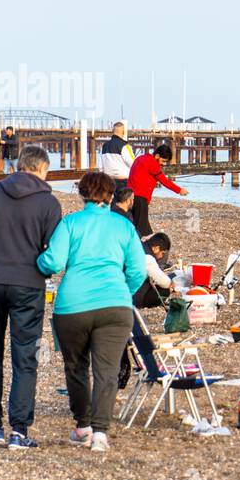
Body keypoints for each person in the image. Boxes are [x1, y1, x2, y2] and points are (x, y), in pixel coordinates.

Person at [0, 144, 63, 450]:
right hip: (27, 284)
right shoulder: (48, 203)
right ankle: (18, 430)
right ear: (43, 169)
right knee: (24, 358)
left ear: (19, 165)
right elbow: (53, 251)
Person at [38, 172, 146, 453]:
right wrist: (123, 290)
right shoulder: (123, 226)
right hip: (115, 305)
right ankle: (100, 433)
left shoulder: (71, 222)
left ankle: (83, 424)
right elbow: (138, 270)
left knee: (75, 367)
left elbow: (53, 261)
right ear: (111, 195)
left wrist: (37, 259)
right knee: (107, 372)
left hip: (73, 306)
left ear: (82, 194)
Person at [127, 143, 188, 238]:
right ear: (157, 155)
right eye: (163, 161)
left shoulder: (140, 158)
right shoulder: (152, 163)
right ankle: (146, 250)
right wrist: (179, 190)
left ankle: (148, 248)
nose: (162, 164)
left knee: (141, 227)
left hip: (131, 197)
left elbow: (131, 177)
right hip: (140, 199)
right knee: (142, 231)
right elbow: (164, 180)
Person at [133, 232, 174, 309]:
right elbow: (164, 282)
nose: (161, 256)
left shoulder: (139, 246)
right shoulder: (148, 257)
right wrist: (171, 283)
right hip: (133, 296)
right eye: (162, 253)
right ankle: (142, 305)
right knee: (164, 291)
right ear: (156, 248)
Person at [99, 120, 137, 193]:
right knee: (122, 203)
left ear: (112, 131)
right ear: (123, 132)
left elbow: (101, 166)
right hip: (122, 181)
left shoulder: (104, 146)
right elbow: (134, 164)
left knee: (111, 202)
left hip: (108, 180)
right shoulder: (125, 146)